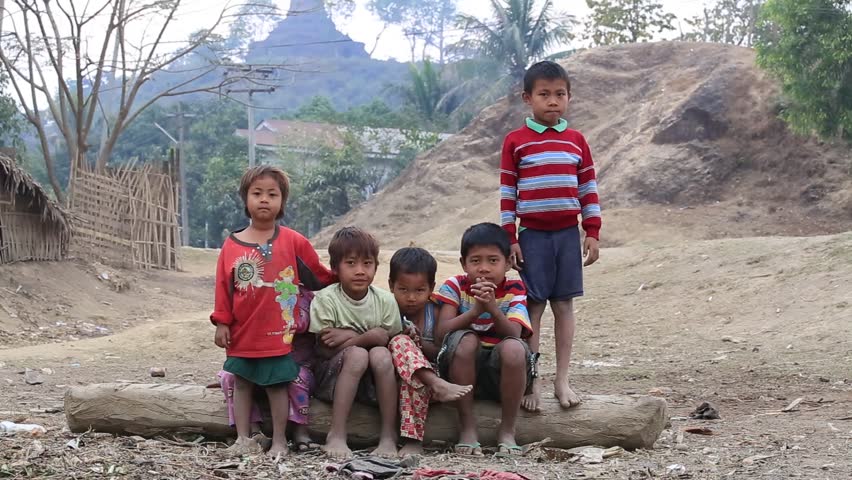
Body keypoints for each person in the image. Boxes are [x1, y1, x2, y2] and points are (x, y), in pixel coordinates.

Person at [499, 60, 601, 411]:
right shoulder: (516, 142)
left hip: (567, 236)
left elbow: (588, 188)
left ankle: (562, 379)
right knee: (534, 308)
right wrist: (509, 237)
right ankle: (532, 380)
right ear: (528, 98)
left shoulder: (576, 141)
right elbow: (508, 193)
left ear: (569, 97)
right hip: (532, 236)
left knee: (564, 305)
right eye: (544, 94)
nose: (553, 101)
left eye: (560, 94)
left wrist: (592, 231)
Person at [211, 165, 334, 457]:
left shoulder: (294, 241)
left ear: (282, 202)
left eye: (272, 194)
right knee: (241, 383)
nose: (264, 199)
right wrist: (222, 323)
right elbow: (223, 288)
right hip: (243, 331)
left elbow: (318, 275)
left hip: (280, 332)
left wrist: (344, 277)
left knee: (278, 385)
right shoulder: (231, 245)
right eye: (257, 193)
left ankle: (279, 440)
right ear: (245, 199)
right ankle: (243, 438)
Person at [434, 223, 534, 456]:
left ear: (508, 262)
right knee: (466, 340)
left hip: (501, 372)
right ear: (463, 263)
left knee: (514, 349)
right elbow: (442, 333)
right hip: (461, 369)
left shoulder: (515, 287)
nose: (484, 268)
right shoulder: (455, 286)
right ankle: (467, 428)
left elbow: (515, 334)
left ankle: (507, 430)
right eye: (475, 261)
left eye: (493, 260)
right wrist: (475, 312)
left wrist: (493, 309)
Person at [309, 227, 402, 459]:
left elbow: (387, 342)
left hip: (374, 384)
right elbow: (323, 349)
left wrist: (348, 336)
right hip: (330, 380)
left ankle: (388, 436)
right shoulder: (326, 299)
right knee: (358, 354)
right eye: (351, 263)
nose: (360, 271)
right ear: (335, 268)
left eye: (367, 263)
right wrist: (364, 338)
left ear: (376, 267)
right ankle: (337, 434)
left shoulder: (385, 301)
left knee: (380, 353)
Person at [386, 247, 472, 456]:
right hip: (396, 381)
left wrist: (420, 345)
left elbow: (442, 352)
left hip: (433, 378)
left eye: (419, 290)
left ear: (432, 288)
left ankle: (413, 440)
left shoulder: (434, 312)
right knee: (399, 341)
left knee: (415, 377)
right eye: (403, 289)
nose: (411, 298)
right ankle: (413, 441)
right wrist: (400, 337)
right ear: (391, 286)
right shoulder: (386, 309)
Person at [215, 286, 320, 453]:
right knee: (230, 377)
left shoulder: (306, 298)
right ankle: (253, 432)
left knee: (294, 378)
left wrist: (273, 317)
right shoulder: (255, 291)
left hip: (295, 362)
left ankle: (299, 429)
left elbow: (300, 323)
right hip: (255, 358)